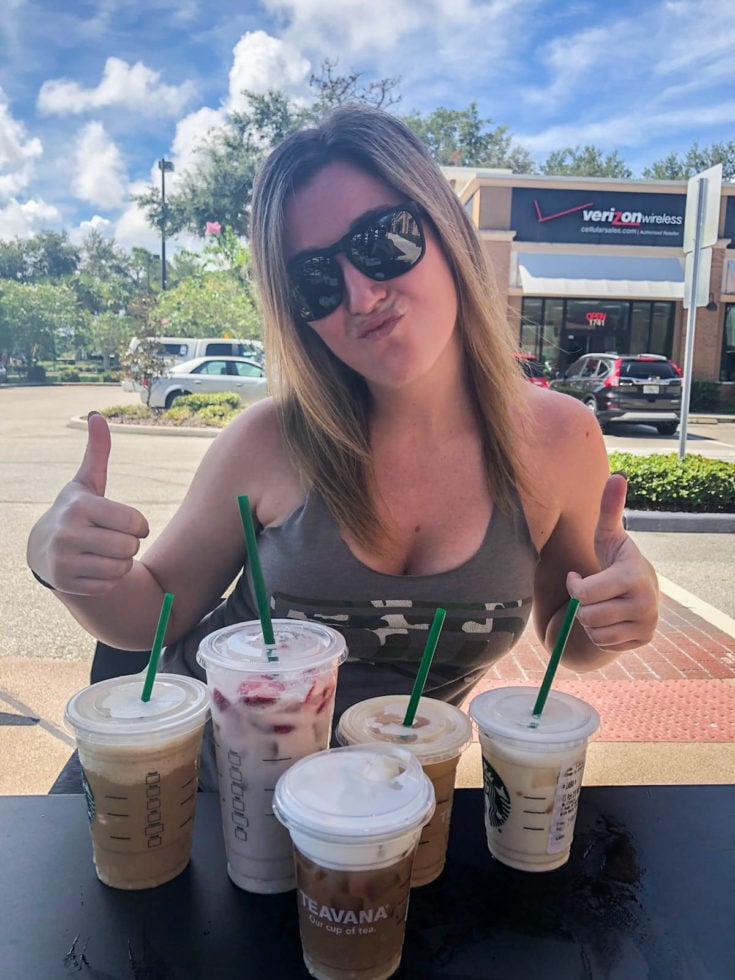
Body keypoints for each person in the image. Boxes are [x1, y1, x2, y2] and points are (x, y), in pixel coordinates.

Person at [28, 105, 658, 791]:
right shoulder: (270, 440)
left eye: (381, 240)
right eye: (315, 281)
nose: (360, 295)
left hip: (370, 819)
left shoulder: (560, 440)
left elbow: (571, 633)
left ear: (444, 228)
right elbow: (154, 617)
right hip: (173, 798)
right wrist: (60, 564)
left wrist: (621, 613)